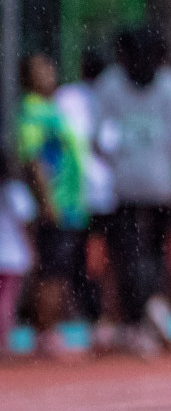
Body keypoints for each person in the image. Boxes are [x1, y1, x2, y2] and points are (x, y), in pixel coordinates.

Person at [96, 29, 171, 356]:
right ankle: (152, 311)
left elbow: (100, 140)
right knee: (151, 253)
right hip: (157, 186)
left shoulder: (110, 85)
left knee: (129, 256)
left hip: (125, 186)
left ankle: (138, 320)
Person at [16, 53, 89, 357]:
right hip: (55, 206)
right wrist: (46, 200)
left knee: (60, 269)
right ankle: (45, 334)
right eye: (40, 69)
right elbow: (33, 160)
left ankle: (48, 331)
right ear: (28, 79)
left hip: (69, 204)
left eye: (50, 65)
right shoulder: (33, 113)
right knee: (52, 271)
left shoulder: (51, 108)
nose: (49, 72)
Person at [54, 49, 117, 351]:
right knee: (105, 259)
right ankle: (105, 321)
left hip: (77, 194)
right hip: (104, 193)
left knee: (78, 261)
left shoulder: (66, 98)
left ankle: (95, 320)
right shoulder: (111, 97)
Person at [0, 152, 38, 359]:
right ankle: (4, 341)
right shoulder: (15, 190)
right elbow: (25, 222)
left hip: (8, 254)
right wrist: (31, 248)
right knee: (7, 301)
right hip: (12, 254)